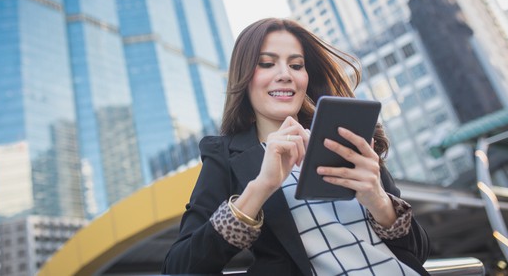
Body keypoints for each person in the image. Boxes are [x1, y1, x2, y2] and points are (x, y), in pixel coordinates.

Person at [162, 18, 430, 275]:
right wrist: (259, 189)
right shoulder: (225, 155)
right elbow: (179, 267)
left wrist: (379, 200)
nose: (285, 75)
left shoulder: (347, 137)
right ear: (244, 77)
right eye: (266, 64)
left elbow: (418, 252)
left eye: (296, 65)